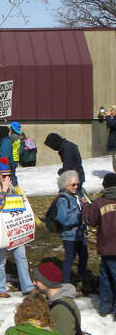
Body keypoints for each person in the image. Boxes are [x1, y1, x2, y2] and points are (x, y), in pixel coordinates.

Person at [0, 158, 34, 298]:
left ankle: (27, 287)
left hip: (14, 226)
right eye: (4, 176)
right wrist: (5, 190)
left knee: (21, 257)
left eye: (9, 176)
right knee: (1, 260)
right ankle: (0, 288)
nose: (7, 178)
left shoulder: (11, 187)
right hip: (1, 228)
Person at [83, 172, 116, 317]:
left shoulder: (99, 203)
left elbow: (90, 220)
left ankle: (105, 307)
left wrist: (85, 207)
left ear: (105, 186)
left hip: (107, 247)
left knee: (106, 277)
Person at [54, 170, 89, 286]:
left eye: (77, 184)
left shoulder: (77, 197)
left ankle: (81, 279)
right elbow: (63, 218)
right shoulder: (62, 200)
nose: (76, 187)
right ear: (65, 185)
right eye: (73, 185)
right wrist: (81, 216)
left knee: (84, 256)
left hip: (80, 234)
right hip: (69, 236)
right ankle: (65, 282)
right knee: (70, 259)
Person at [107, 106, 116, 172]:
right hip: (114, 144)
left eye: (112, 110)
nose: (111, 112)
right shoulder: (113, 119)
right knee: (114, 159)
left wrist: (108, 116)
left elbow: (112, 125)